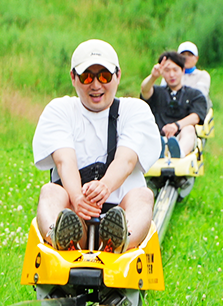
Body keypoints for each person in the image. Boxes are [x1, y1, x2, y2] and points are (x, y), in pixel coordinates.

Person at [32, 39, 160, 253]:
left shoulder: (135, 110)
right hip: (76, 216)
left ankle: (119, 240)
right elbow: (64, 161)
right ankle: (62, 236)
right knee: (50, 192)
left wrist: (105, 186)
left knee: (143, 196)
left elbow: (126, 159)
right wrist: (78, 199)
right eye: (86, 77)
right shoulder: (60, 110)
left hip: (121, 209)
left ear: (118, 76)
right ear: (73, 78)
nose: (96, 85)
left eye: (104, 76)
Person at [141, 51, 208, 157]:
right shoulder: (156, 92)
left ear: (183, 71)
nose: (171, 74)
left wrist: (176, 126)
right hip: (159, 137)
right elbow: (144, 90)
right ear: (162, 73)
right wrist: (153, 77)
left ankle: (178, 153)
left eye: (175, 70)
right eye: (167, 70)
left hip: (183, 138)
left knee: (189, 129)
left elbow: (196, 117)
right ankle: (160, 150)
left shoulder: (194, 94)